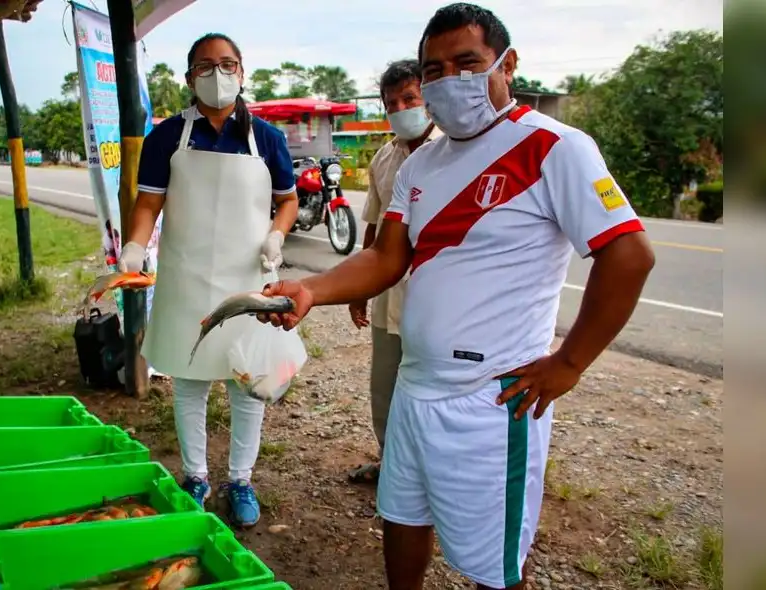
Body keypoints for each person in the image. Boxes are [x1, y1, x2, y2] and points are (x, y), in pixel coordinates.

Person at [256, 4, 656, 589]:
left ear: (506, 64)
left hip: (491, 403)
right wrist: (312, 288)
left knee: (493, 566)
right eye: (434, 70)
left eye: (466, 63)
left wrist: (571, 362)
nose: (448, 81)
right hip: (417, 389)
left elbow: (629, 255)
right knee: (401, 517)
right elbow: (387, 257)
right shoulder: (423, 163)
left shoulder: (554, 147)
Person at [119, 32, 299, 528]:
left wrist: (277, 236)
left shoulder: (267, 138)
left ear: (242, 72)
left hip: (249, 277)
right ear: (189, 77)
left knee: (249, 383)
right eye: (205, 66)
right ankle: (195, 475)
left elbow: (287, 199)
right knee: (190, 379)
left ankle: (240, 478)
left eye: (226, 64)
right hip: (187, 274)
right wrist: (135, 246)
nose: (216, 75)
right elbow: (149, 203)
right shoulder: (166, 136)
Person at [347, 59, 441, 485]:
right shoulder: (385, 158)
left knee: (433, 389)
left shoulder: (456, 149)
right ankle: (391, 465)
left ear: (428, 98)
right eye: (391, 103)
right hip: (388, 289)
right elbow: (374, 221)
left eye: (409, 98)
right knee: (385, 385)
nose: (400, 108)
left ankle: (430, 476)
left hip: (437, 297)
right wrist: (358, 287)